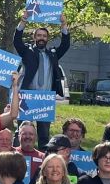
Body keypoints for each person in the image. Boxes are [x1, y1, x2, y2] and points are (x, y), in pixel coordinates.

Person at [13, 11, 71, 148]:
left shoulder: (53, 54)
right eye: (39, 35)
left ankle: (43, 163)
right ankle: (16, 158)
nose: (41, 38)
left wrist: (63, 24)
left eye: (44, 36)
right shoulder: (27, 51)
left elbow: (65, 45)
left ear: (47, 39)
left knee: (44, 135)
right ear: (34, 37)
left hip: (45, 99)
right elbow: (16, 41)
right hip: (27, 97)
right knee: (22, 132)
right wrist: (23, 21)